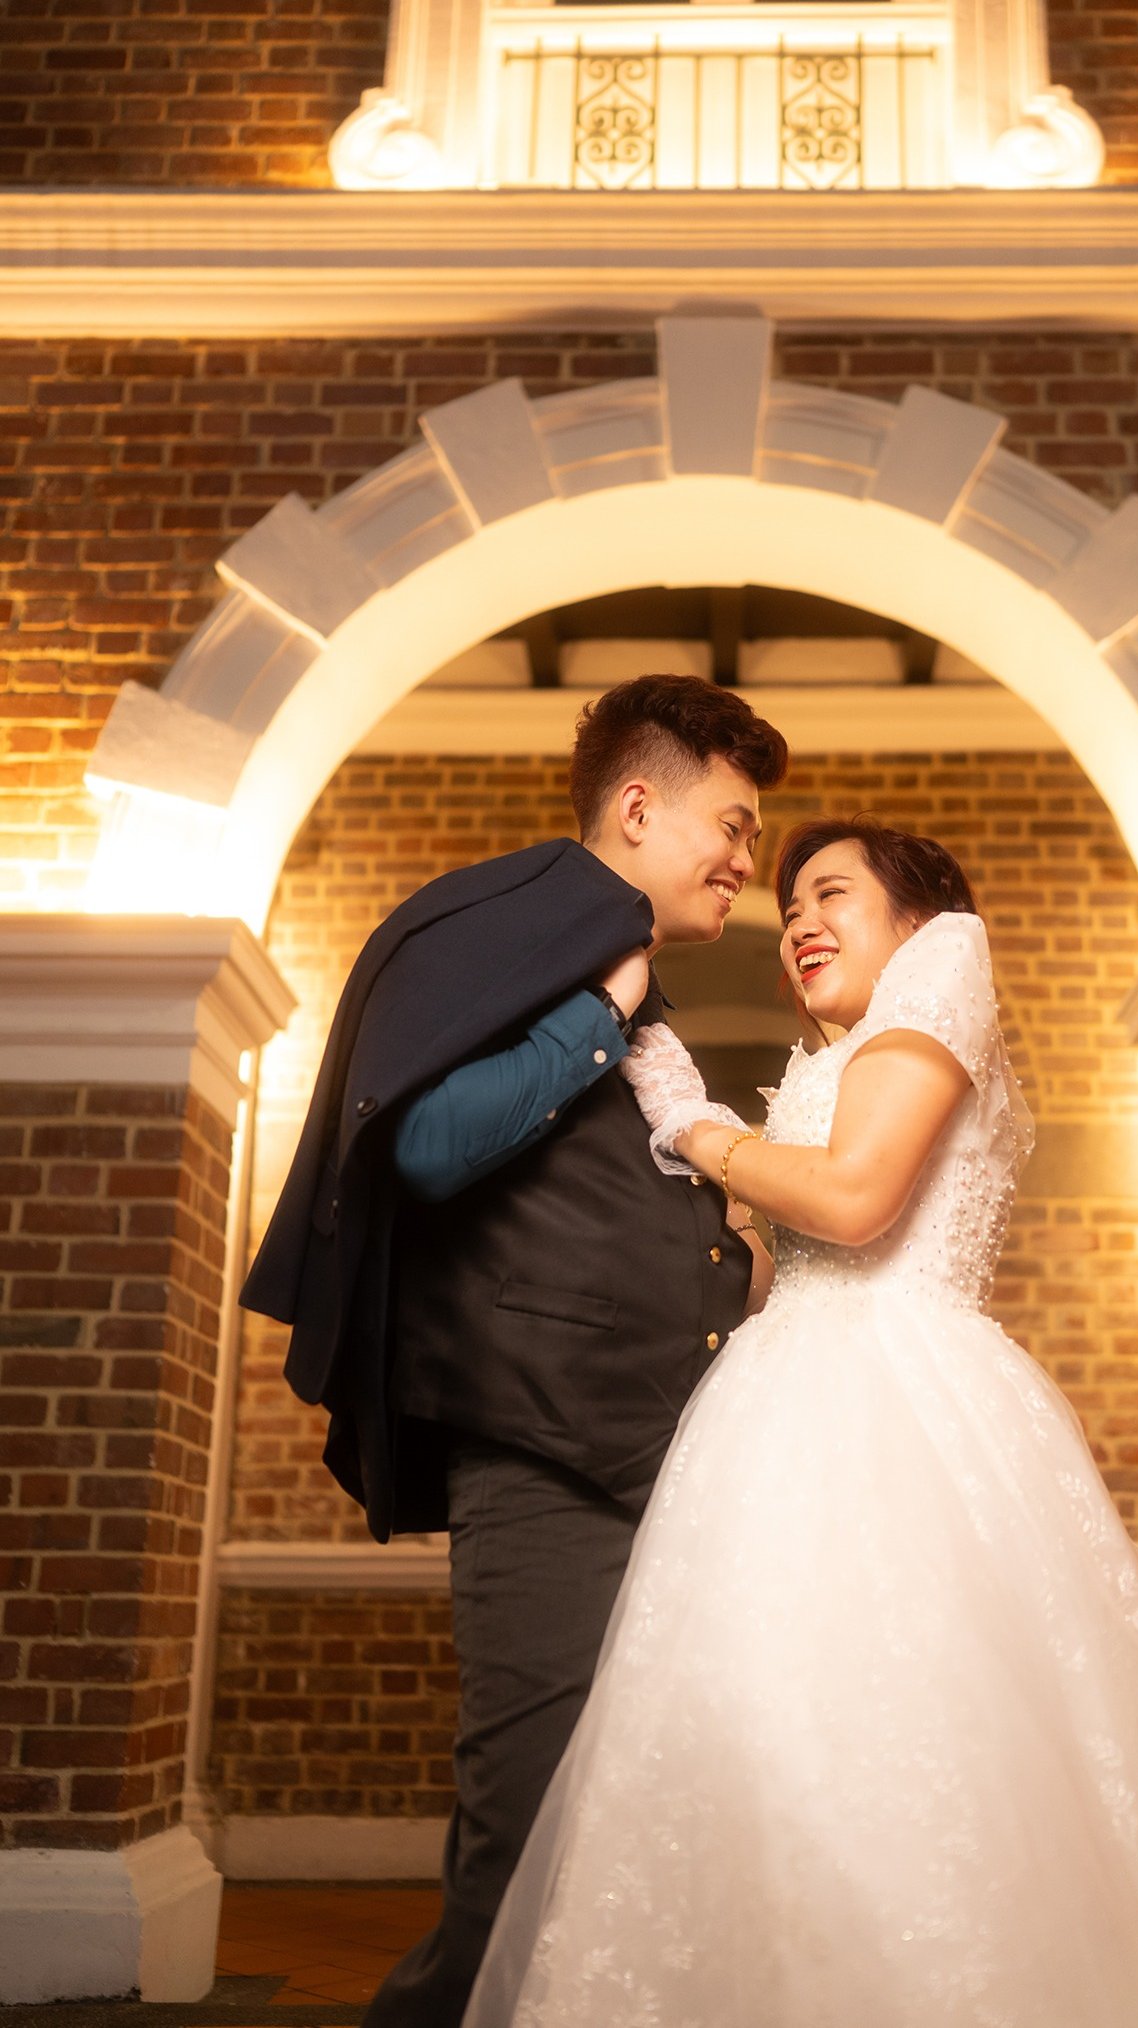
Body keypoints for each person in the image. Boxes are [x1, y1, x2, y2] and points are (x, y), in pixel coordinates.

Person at [460, 816, 1138, 2028]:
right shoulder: (832, 1063)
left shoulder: (930, 1008)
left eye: (830, 894)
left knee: (907, 1729)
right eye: (789, 903)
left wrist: (699, 1130)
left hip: (894, 1411)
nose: (798, 920)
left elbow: (852, 1203)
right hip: (780, 1402)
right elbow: (777, 1263)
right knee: (769, 1735)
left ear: (915, 921)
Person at [240, 675, 788, 2028]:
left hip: (667, 1468)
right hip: (553, 1463)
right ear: (639, 803)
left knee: (637, 1846)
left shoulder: (616, 975)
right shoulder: (533, 935)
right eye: (732, 822)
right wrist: (594, 1008)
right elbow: (422, 1147)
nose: (745, 860)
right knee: (526, 1852)